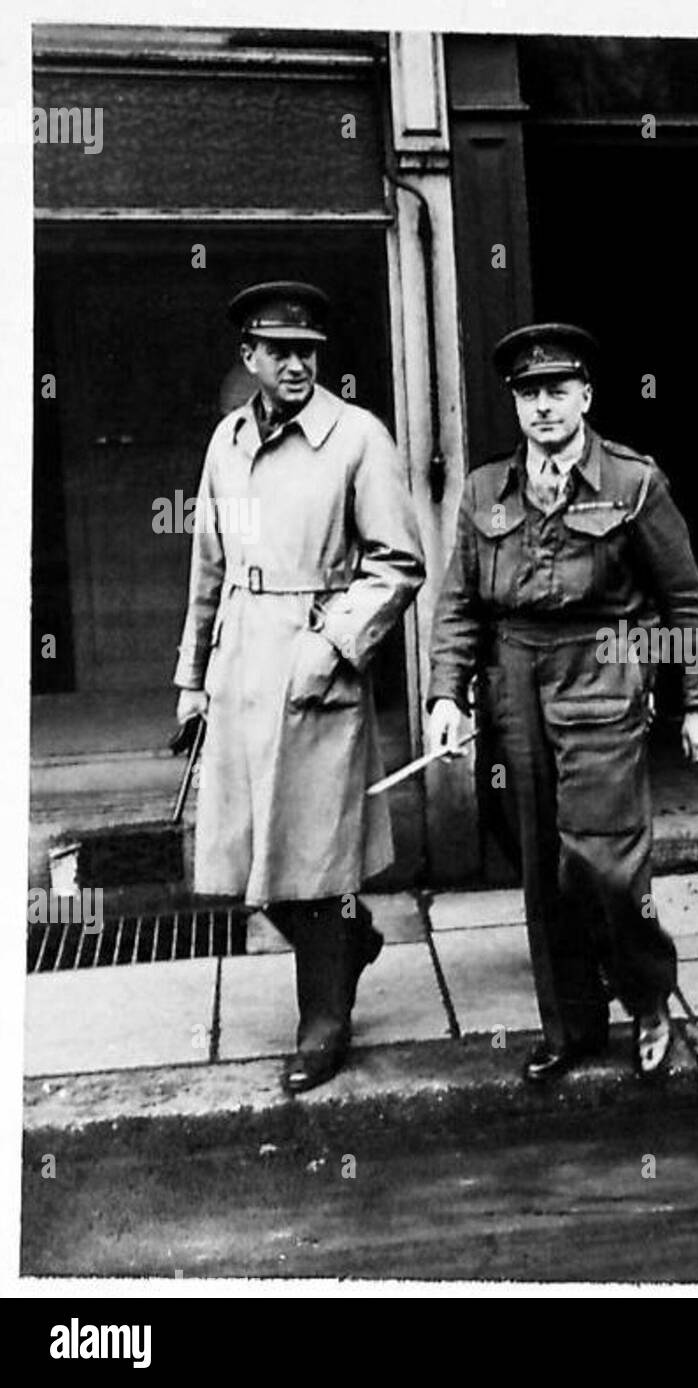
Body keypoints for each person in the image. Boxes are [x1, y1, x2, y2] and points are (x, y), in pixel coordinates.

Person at [426, 322, 698, 1082]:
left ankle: (648, 995)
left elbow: (683, 600)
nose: (545, 406)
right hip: (514, 678)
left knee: (605, 861)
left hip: (605, 666)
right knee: (541, 865)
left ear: (585, 396)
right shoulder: (486, 491)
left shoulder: (633, 482)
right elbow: (458, 605)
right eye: (530, 394)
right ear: (515, 404)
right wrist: (446, 695)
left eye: (558, 390)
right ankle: (573, 1027)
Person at [173, 280, 425, 1094]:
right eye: (279, 351)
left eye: (308, 352)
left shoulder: (357, 438)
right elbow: (207, 569)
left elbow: (397, 563)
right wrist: (191, 682)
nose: (295, 365)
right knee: (246, 853)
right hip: (240, 664)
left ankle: (324, 1020)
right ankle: (350, 944)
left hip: (316, 668)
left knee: (313, 855)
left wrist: (333, 647)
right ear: (249, 356)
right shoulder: (227, 443)